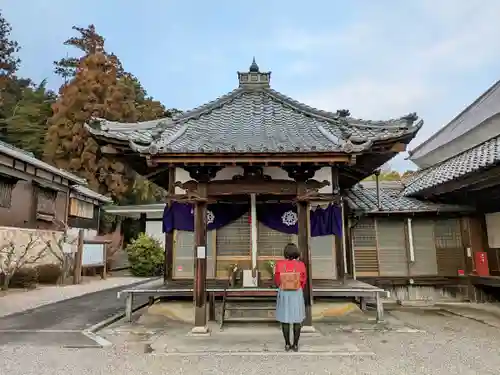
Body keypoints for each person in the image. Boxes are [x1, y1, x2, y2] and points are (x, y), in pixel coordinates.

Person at [274, 243, 307, 352]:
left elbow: (277, 280)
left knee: (285, 318)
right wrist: (298, 287)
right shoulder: (301, 265)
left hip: (284, 292)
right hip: (296, 292)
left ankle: (287, 344)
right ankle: (296, 345)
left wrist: (283, 286)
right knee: (297, 319)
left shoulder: (279, 264)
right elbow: (304, 280)